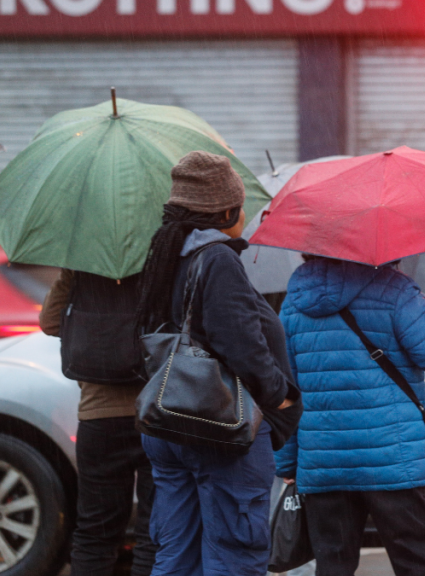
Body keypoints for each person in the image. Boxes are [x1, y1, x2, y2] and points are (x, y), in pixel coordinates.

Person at [136, 151, 302, 576]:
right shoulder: (218, 259)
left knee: (177, 555)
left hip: (168, 421)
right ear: (224, 210)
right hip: (218, 426)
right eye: (241, 204)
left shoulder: (165, 255)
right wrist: (279, 397)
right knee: (234, 555)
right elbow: (241, 343)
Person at [274, 254, 425, 576]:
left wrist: (288, 462)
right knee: (418, 565)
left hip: (323, 463)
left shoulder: (294, 301)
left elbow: (284, 389)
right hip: (393, 459)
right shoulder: (395, 289)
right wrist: (421, 301)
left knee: (333, 567)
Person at [40, 273, 155, 575]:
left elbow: (50, 322)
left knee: (96, 533)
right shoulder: (161, 260)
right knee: (153, 533)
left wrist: (69, 275)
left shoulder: (83, 268)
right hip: (154, 415)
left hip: (99, 419)